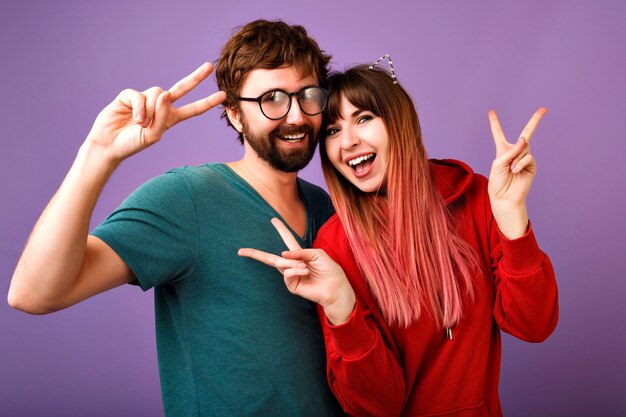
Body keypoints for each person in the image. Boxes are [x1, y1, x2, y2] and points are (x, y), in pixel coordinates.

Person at [8, 20, 345, 416]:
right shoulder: (187, 199)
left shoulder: (326, 207)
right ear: (235, 114)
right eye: (271, 98)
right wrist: (98, 154)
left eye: (307, 95)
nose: (295, 116)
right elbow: (33, 293)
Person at [238, 62, 559, 417]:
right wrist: (341, 306)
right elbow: (377, 405)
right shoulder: (334, 247)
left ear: (398, 121)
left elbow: (534, 325)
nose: (348, 142)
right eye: (332, 130)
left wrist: (513, 214)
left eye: (363, 118)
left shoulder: (476, 198)